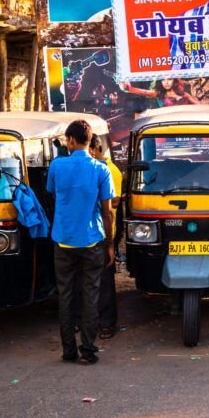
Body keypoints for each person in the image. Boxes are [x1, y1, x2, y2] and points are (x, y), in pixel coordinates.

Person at [47, 120, 115, 365]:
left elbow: (54, 195)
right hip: (92, 240)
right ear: (89, 142)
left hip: (63, 240)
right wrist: (110, 244)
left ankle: (68, 351)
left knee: (65, 296)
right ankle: (88, 350)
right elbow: (108, 212)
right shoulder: (101, 169)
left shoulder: (57, 166)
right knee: (91, 295)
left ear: (72, 141)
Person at [89, 134, 122, 339]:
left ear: (94, 149)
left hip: (106, 230)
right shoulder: (93, 169)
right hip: (94, 230)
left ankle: (107, 323)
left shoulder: (110, 170)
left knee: (104, 279)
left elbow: (114, 203)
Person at [121, 78, 201, 107]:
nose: (166, 82)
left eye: (169, 79)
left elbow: (200, 106)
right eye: (163, 80)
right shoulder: (159, 95)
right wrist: (129, 88)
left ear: (175, 81)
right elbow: (145, 92)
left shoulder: (185, 95)